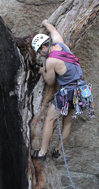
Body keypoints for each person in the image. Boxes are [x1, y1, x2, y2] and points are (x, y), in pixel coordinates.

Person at [31, 19, 84, 160]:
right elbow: (53, 30)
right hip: (81, 89)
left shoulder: (50, 61)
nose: (40, 55)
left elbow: (50, 81)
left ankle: (42, 152)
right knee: (67, 121)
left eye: (40, 52)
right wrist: (45, 22)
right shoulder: (60, 43)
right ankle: (58, 150)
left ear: (43, 47)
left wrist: (43, 71)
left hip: (68, 92)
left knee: (49, 118)